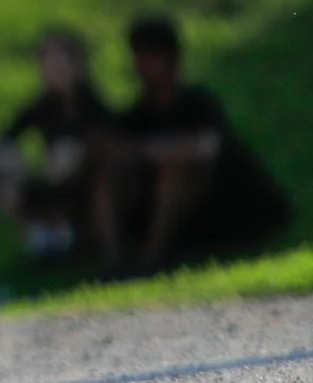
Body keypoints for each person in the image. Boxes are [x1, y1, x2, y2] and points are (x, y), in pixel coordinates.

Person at [96, 16, 292, 276]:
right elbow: (116, 149)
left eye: (150, 56)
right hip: (164, 212)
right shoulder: (138, 115)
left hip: (222, 203)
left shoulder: (197, 103)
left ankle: (151, 258)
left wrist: (152, 150)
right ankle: (114, 259)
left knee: (175, 170)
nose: (143, 65)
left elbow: (206, 148)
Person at [0, 28, 112, 260]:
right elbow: (0, 143)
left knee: (66, 156)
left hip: (85, 183)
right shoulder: (43, 107)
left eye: (61, 60)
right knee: (3, 161)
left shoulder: (93, 106)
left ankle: (78, 235)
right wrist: (15, 167)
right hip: (52, 179)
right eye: (47, 62)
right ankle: (41, 237)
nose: (55, 69)